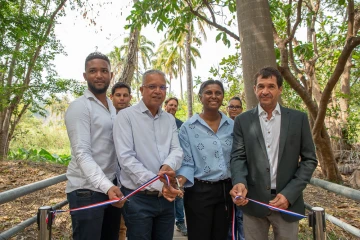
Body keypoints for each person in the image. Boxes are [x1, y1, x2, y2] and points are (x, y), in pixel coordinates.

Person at [230, 67, 317, 239]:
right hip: (253, 203)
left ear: (280, 89)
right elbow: (238, 157)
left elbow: (309, 160)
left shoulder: (298, 119)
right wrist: (239, 182)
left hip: (287, 203)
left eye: (271, 86)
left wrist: (290, 194)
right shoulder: (243, 120)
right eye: (261, 86)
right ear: (254, 89)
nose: (265, 91)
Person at [113, 69, 183, 240]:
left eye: (162, 87)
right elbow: (126, 159)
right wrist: (161, 184)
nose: (158, 91)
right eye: (152, 86)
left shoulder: (169, 119)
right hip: (138, 199)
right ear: (141, 89)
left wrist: (167, 167)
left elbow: (177, 150)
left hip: (166, 200)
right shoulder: (125, 117)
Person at [65, 52, 124, 240]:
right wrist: (107, 186)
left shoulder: (112, 108)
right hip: (86, 191)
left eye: (104, 71)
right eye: (93, 71)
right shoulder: (80, 107)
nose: (99, 75)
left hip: (111, 188)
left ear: (111, 75)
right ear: (85, 76)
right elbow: (82, 153)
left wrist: (114, 185)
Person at [176, 80, 234, 240]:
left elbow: (237, 158)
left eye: (218, 93)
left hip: (226, 191)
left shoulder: (232, 126)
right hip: (199, 192)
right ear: (200, 97)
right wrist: (178, 183)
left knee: (221, 236)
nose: (213, 96)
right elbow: (186, 163)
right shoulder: (188, 128)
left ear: (223, 97)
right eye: (208, 92)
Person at [110, 82, 132, 240]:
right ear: (111, 97)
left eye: (125, 95)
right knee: (114, 224)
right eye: (118, 95)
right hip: (110, 179)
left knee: (129, 223)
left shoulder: (136, 118)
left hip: (131, 179)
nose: (122, 99)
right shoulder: (106, 118)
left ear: (130, 98)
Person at [164, 97, 187, 236]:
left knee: (178, 194)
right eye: (170, 105)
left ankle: (180, 222)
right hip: (161, 165)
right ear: (165, 105)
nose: (172, 107)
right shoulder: (159, 122)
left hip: (176, 166)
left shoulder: (181, 125)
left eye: (175, 105)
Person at [226, 96, 245, 240]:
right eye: (231, 106)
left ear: (242, 109)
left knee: (242, 218)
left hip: (242, 179)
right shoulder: (221, 126)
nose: (234, 109)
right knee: (228, 219)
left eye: (237, 107)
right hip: (225, 179)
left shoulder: (246, 126)